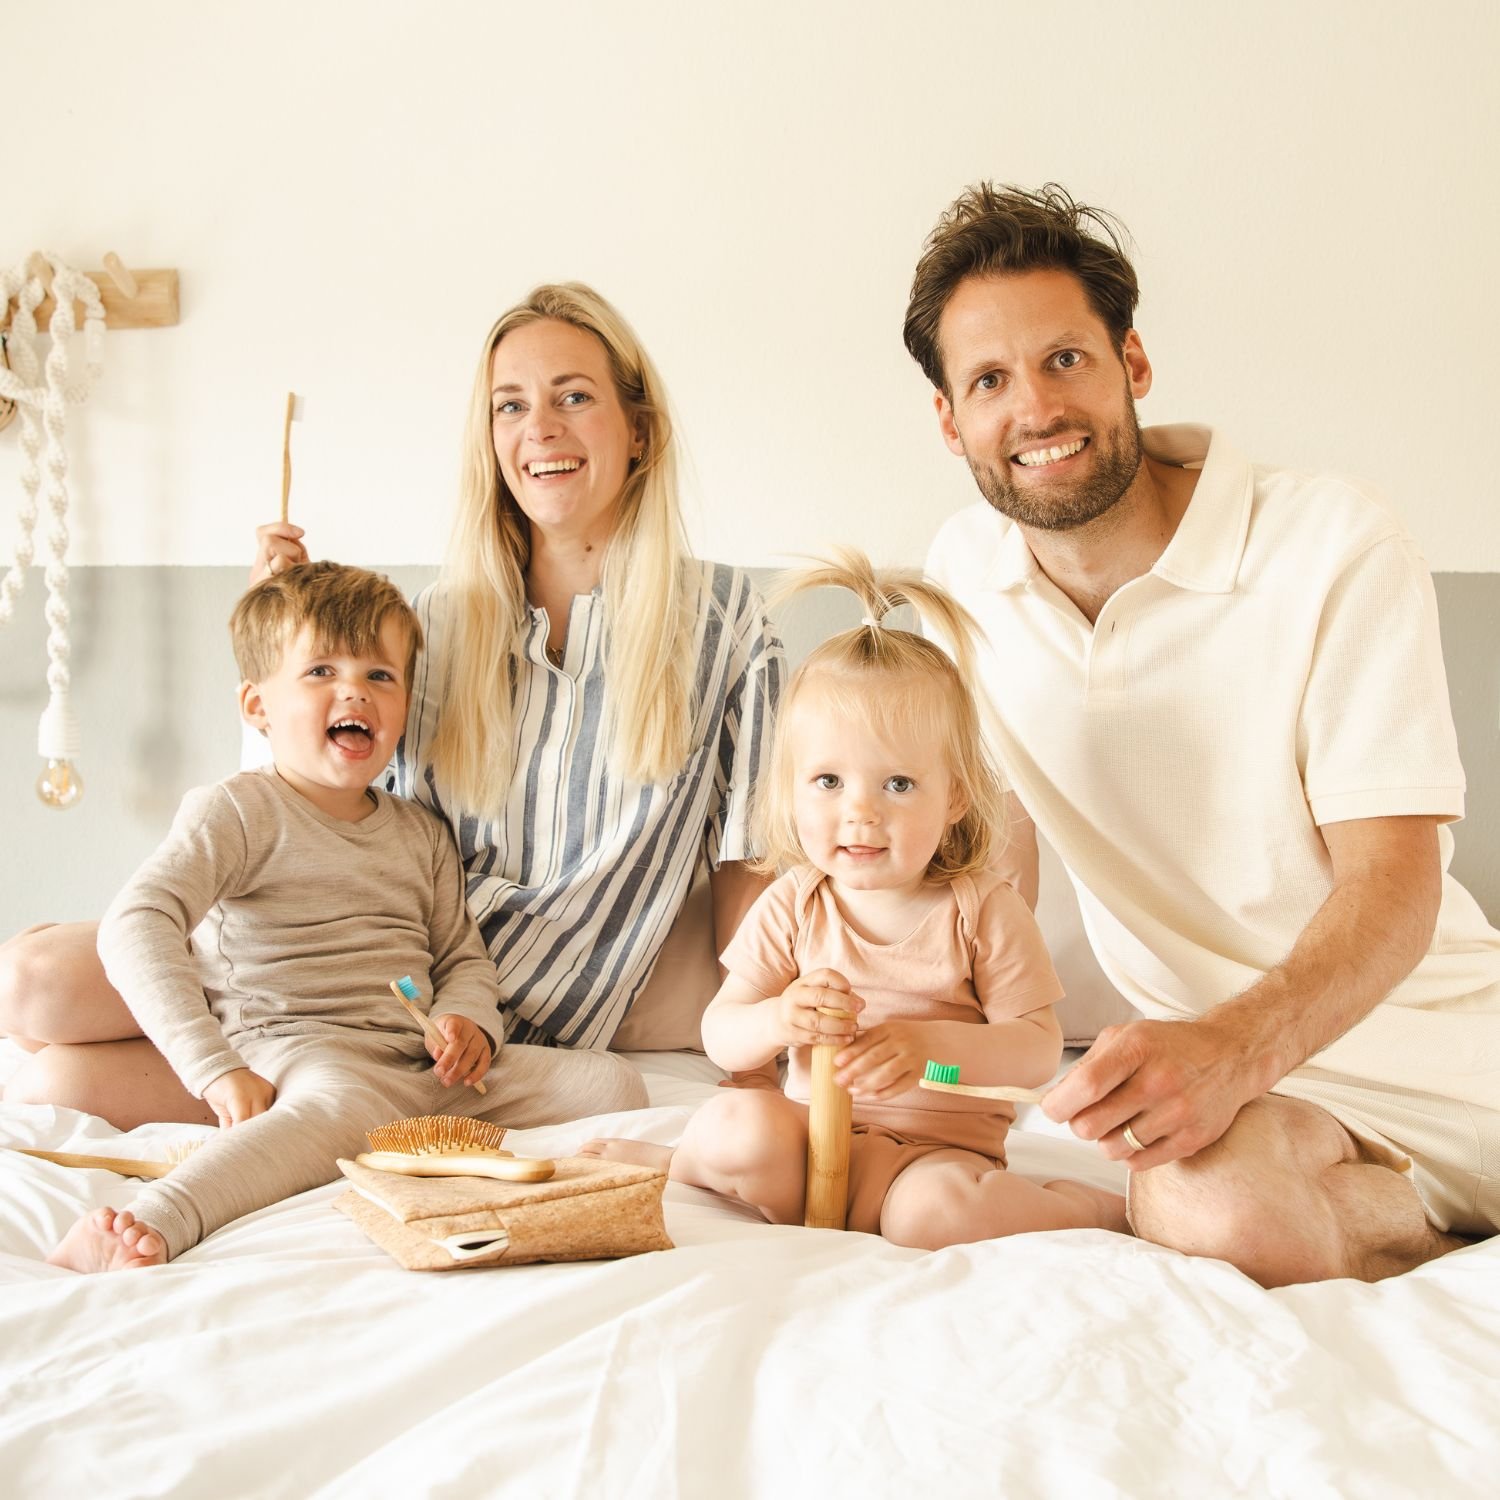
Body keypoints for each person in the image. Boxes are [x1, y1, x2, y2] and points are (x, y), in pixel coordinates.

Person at [2, 283, 782, 1125]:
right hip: (333, 946)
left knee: (61, 1084)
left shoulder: (731, 627)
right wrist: (288, 647)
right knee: (31, 989)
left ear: (640, 429)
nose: (540, 428)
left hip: (471, 1018)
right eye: (509, 406)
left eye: (574, 397)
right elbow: (331, 804)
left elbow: (751, 868)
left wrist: (756, 1044)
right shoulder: (439, 621)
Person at [908, 182, 1500, 1285]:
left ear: (1132, 364)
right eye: (989, 379)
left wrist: (1232, 1050)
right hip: (1244, 1101)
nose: (1035, 408)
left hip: (1441, 1050)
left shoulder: (1330, 541)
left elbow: (1395, 882)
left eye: (1065, 360)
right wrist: (924, 1045)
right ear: (950, 421)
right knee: (1206, 1203)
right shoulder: (960, 581)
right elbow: (1000, 852)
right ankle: (1422, 1241)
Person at [48, 561, 643, 1273]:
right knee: (332, 1112)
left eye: (380, 676)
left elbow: (459, 956)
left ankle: (399, 1131)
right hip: (303, 1050)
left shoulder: (419, 832)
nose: (354, 689)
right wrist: (214, 1071)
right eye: (321, 671)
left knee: (613, 1083)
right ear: (257, 706)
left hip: (419, 1066)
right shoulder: (238, 810)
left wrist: (470, 1022)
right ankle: (155, 1220)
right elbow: (136, 922)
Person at [585, 554, 1127, 1246]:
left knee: (933, 1216)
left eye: (898, 784)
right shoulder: (793, 904)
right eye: (828, 781)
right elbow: (724, 1034)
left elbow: (1032, 1052)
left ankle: (1088, 1209)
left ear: (955, 795)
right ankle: (681, 1164)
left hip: (933, 1160)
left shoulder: (982, 910)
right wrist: (781, 1019)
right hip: (809, 1147)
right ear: (789, 790)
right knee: (733, 1128)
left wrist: (930, 1055)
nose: (860, 813)